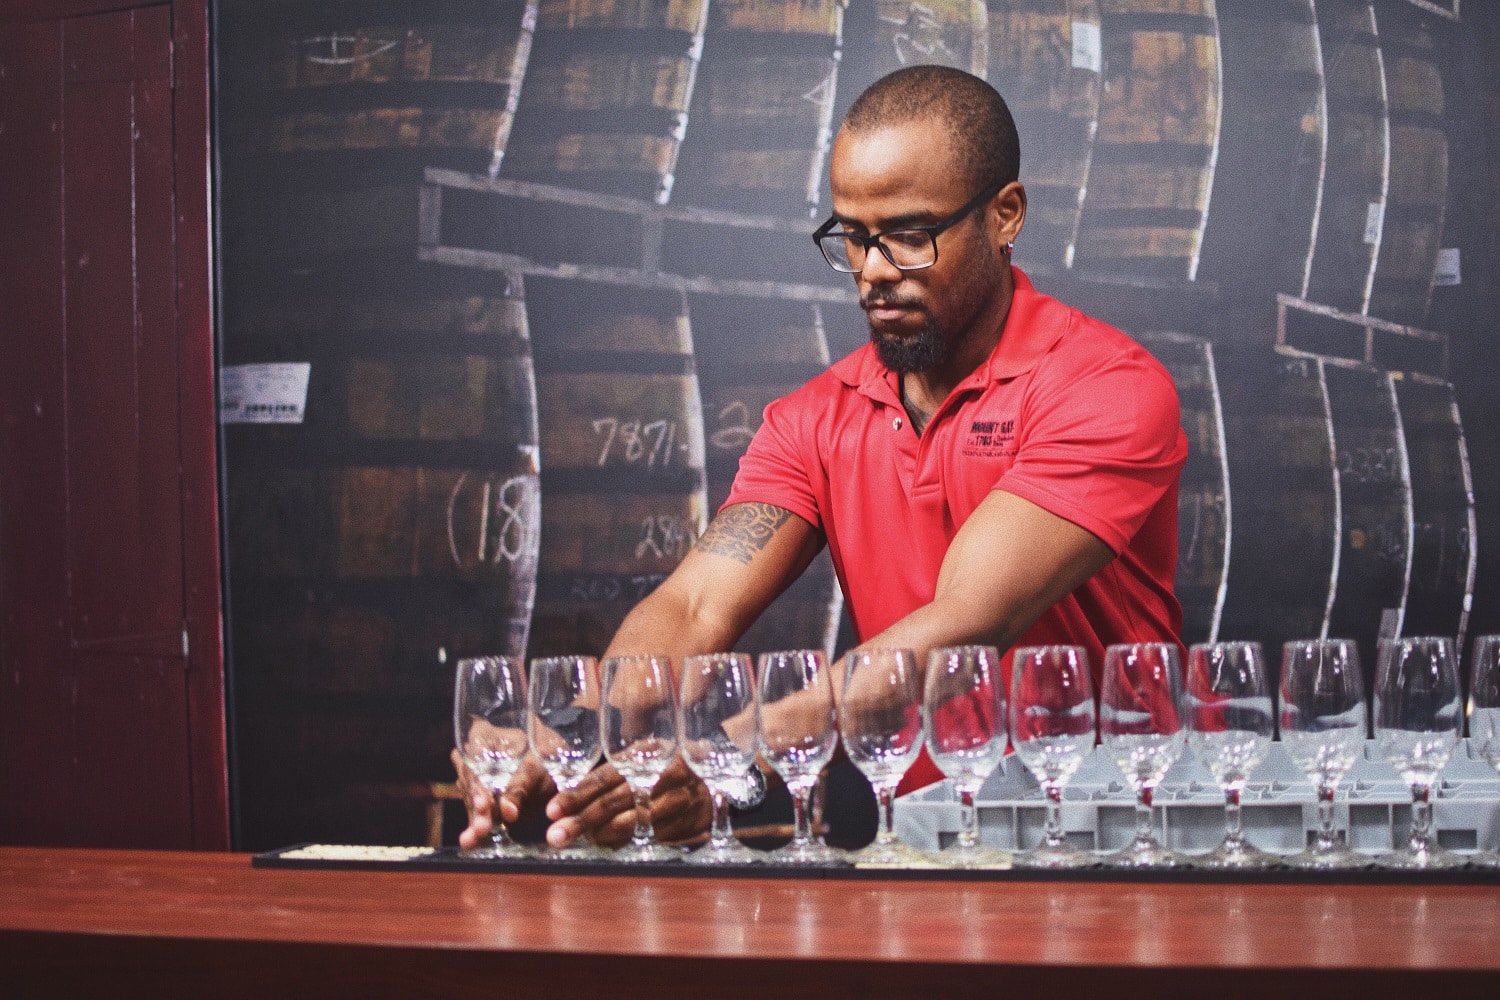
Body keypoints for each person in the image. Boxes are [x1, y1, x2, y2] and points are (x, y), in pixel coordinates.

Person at [454, 64, 1187, 850]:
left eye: (909, 235)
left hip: (1122, 832)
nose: (873, 270)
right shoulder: (816, 417)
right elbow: (696, 605)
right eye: (854, 237)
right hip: (930, 840)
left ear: (1005, 215)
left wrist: (732, 754)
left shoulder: (1105, 386)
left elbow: (968, 618)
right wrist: (572, 735)